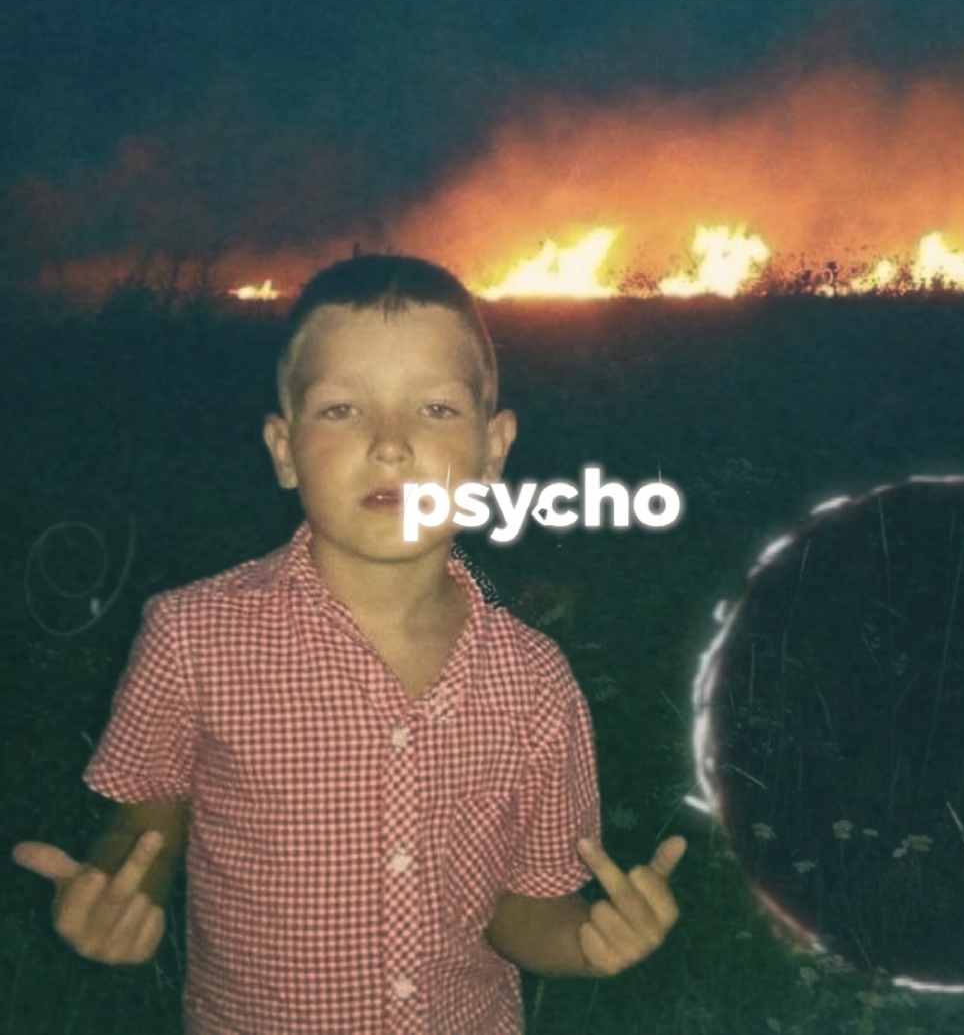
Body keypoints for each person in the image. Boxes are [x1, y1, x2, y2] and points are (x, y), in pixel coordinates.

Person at [12, 254, 686, 1033]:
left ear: (494, 451)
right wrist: (114, 890)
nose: (390, 444)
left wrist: (587, 942)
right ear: (284, 447)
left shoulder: (535, 682)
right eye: (341, 409)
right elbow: (145, 819)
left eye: (436, 409)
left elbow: (520, 907)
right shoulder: (192, 636)